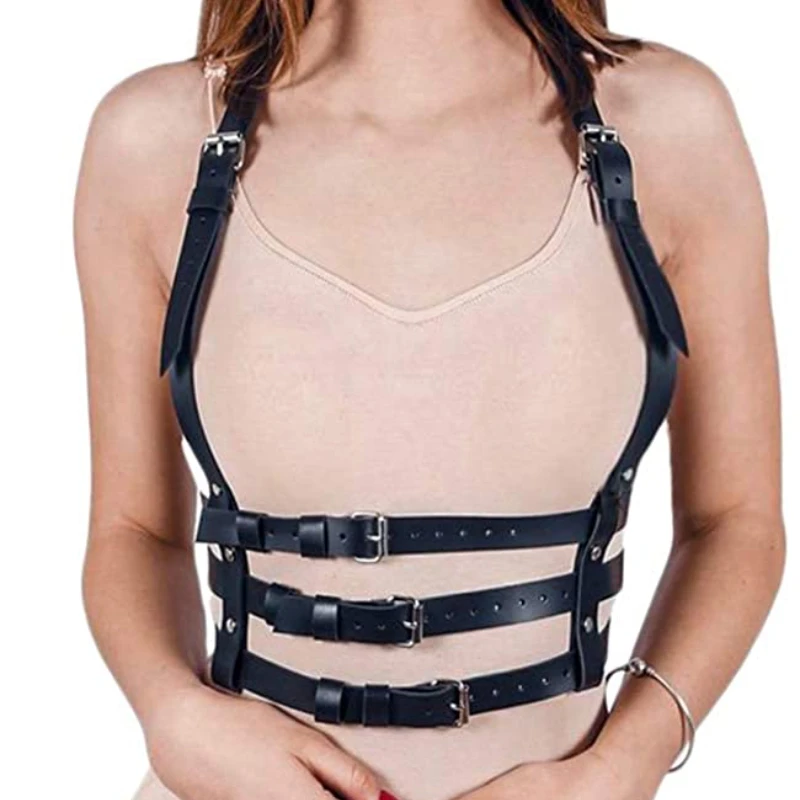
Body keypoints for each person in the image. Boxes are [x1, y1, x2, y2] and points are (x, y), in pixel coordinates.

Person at [74, 2, 785, 800]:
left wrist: (626, 763)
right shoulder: (156, 140)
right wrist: (168, 709)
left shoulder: (669, 125)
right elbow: (132, 529)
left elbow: (736, 521)